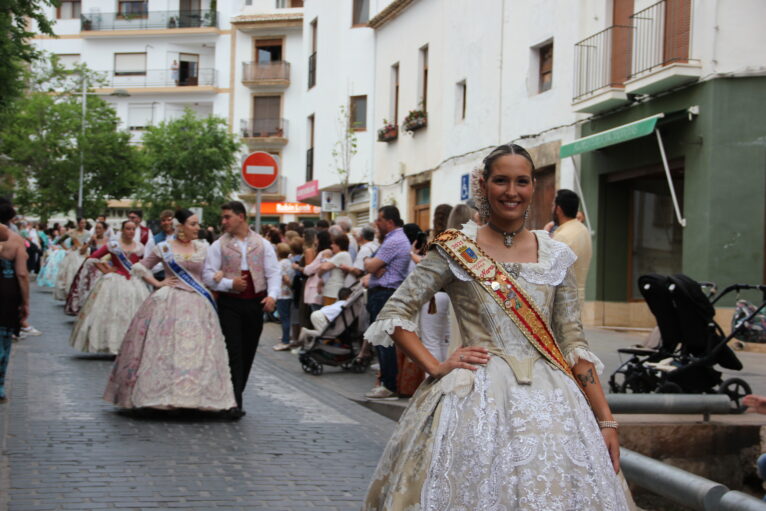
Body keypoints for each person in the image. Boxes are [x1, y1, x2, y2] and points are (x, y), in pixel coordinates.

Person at [362, 144, 631, 510]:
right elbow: (395, 313)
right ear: (485, 186)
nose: (512, 191)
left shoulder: (556, 255)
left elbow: (572, 342)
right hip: (475, 399)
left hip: (555, 406)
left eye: (522, 181)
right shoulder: (455, 249)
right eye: (501, 180)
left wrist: (606, 420)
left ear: (534, 187)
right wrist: (437, 366)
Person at [103, 209, 236, 413]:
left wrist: (218, 275)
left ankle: (195, 397)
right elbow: (140, 267)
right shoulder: (163, 247)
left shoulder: (203, 248)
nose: (197, 228)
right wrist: (158, 282)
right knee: (165, 348)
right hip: (169, 300)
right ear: (181, 226)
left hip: (198, 304)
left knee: (199, 351)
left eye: (197, 224)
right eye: (193, 224)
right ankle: (162, 394)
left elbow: (210, 273)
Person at [202, 201, 279, 418]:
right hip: (230, 304)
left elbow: (273, 272)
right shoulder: (219, 245)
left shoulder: (262, 244)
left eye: (227, 217)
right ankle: (234, 401)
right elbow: (208, 275)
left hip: (255, 304)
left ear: (241, 217)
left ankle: (237, 393)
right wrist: (229, 284)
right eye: (223, 217)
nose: (223, 221)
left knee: (248, 350)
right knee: (233, 350)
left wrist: (272, 296)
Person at [68, 220, 149, 354]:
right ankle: (111, 345)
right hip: (114, 282)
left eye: (133, 229)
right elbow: (93, 258)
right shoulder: (113, 245)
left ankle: (128, 345)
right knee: (111, 313)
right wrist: (105, 270)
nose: (131, 232)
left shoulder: (139, 247)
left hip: (134, 283)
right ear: (122, 230)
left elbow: (140, 263)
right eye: (128, 229)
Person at [363, 205, 412, 400]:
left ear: (389, 222)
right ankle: (387, 382)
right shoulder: (392, 239)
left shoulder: (394, 240)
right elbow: (371, 266)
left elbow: (371, 265)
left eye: (379, 220)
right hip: (382, 292)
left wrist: (372, 264)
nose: (376, 223)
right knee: (381, 339)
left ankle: (388, 384)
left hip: (385, 293)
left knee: (384, 341)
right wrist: (372, 265)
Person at [0, 210, 29, 402]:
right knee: (4, 336)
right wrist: (25, 302)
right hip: (6, 292)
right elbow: (22, 274)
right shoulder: (16, 240)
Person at [550, 189, 592, 305]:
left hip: (563, 303)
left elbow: (552, 275)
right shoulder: (583, 230)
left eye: (553, 205)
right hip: (578, 298)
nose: (552, 208)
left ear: (558, 209)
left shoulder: (562, 236)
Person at [64, 220, 109, 316]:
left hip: (103, 266)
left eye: (100, 228)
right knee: (85, 287)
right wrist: (90, 242)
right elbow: (82, 251)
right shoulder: (91, 239)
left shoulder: (109, 241)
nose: (97, 230)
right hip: (90, 265)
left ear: (105, 230)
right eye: (96, 228)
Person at [53, 217, 91, 301]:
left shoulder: (88, 233)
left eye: (84, 223)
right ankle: (69, 292)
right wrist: (67, 249)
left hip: (84, 253)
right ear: (77, 223)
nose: (83, 225)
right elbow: (59, 241)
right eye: (81, 223)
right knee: (70, 272)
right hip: (73, 254)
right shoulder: (71, 232)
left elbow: (90, 243)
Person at [301, 229, 332, 313]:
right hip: (321, 288)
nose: (315, 241)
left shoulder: (324, 253)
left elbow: (309, 269)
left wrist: (301, 268)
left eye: (316, 239)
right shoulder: (329, 252)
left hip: (317, 288)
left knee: (318, 316)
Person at [272, 242, 295, 351]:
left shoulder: (280, 264)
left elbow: (285, 278)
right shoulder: (289, 262)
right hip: (289, 294)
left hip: (282, 294)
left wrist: (286, 281)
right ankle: (287, 337)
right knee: (287, 318)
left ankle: (285, 341)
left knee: (284, 318)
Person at [318, 233, 352, 305]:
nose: (331, 246)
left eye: (333, 244)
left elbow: (324, 267)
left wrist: (322, 267)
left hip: (333, 291)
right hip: (333, 290)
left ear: (339, 245)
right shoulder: (343, 255)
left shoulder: (342, 254)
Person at [143, 209, 175, 281]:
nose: (166, 222)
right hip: (161, 278)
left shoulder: (181, 238)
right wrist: (165, 264)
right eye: (163, 220)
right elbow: (147, 262)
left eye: (169, 220)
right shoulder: (154, 240)